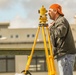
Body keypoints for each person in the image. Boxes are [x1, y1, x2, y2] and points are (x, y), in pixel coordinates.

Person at [48, 3, 76, 75]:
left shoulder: (61, 20)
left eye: (50, 11)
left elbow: (60, 32)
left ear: (55, 11)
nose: (48, 13)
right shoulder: (57, 21)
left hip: (65, 55)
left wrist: (51, 28)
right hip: (63, 54)